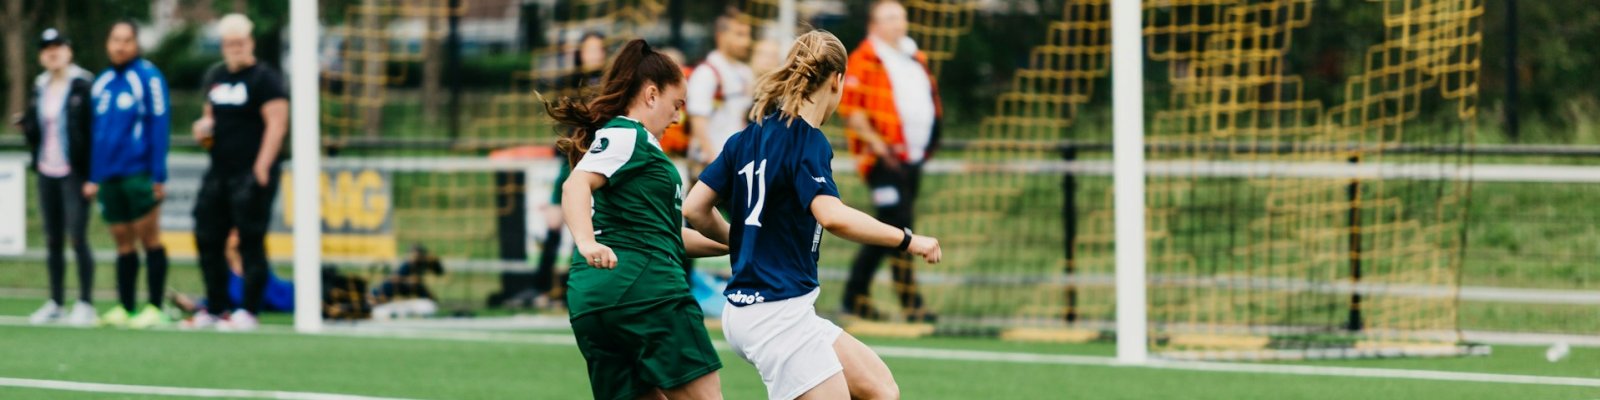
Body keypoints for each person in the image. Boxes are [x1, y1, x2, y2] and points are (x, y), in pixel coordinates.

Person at [683, 30, 942, 400]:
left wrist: (741, 242)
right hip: (776, 313)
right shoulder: (807, 139)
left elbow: (694, 208)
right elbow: (832, 216)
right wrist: (907, 239)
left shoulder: (746, 137)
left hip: (754, 309)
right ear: (836, 81)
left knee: (880, 389)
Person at [545, 39, 728, 400]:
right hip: (647, 292)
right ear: (650, 94)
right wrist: (586, 241)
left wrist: (740, 242)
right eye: (676, 105)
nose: (678, 117)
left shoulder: (630, 142)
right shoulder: (627, 135)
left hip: (594, 300)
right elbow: (575, 185)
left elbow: (668, 235)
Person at [839, 0, 944, 322]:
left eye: (901, 17)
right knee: (893, 224)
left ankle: (900, 301)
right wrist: (879, 146)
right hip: (882, 159)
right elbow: (852, 111)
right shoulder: (864, 60)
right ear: (874, 25)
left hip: (910, 160)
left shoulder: (913, 57)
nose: (899, 24)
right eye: (890, 18)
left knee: (900, 226)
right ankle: (863, 296)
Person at [184, 14, 289, 331]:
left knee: (250, 241)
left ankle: (249, 310)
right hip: (219, 170)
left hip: (251, 171)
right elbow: (208, 123)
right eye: (230, 43)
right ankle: (215, 308)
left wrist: (261, 167)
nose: (235, 48)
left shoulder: (265, 78)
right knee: (206, 235)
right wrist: (202, 132)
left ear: (250, 43)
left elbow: (277, 123)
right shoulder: (215, 76)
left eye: (240, 43)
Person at [87, 20, 171, 329]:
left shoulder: (147, 77)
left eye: (126, 40)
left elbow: (160, 125)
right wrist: (94, 176)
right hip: (109, 176)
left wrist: (158, 174)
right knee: (122, 241)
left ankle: (155, 306)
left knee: (149, 238)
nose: (120, 46)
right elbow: (96, 132)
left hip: (139, 173)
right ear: (108, 43)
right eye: (115, 40)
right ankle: (125, 306)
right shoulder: (103, 82)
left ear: (136, 44)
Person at [17, 28, 98, 326]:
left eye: (58, 46)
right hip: (46, 169)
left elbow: (93, 133)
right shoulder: (40, 86)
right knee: (53, 239)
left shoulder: (83, 84)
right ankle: (55, 301)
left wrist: (93, 175)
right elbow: (39, 129)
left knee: (77, 236)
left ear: (69, 50)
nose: (52, 52)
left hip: (74, 171)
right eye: (46, 47)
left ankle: (86, 302)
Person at [532, 31, 609, 308]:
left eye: (597, 49)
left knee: (586, 228)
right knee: (554, 224)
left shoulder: (611, 87)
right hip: (569, 164)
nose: (593, 55)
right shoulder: (569, 84)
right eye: (588, 50)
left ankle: (575, 288)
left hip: (592, 165)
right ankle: (541, 288)